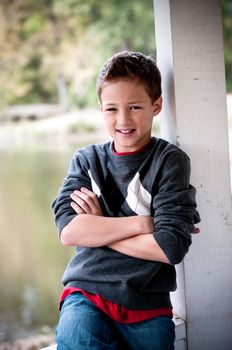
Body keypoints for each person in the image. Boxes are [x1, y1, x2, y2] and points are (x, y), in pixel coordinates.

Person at [52, 51, 200, 350]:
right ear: (100, 109)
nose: (123, 120)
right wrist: (142, 224)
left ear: (155, 106)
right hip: (88, 289)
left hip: (147, 299)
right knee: (78, 338)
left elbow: (170, 247)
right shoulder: (87, 160)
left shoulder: (168, 161)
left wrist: (100, 227)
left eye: (134, 107)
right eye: (112, 109)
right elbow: (70, 232)